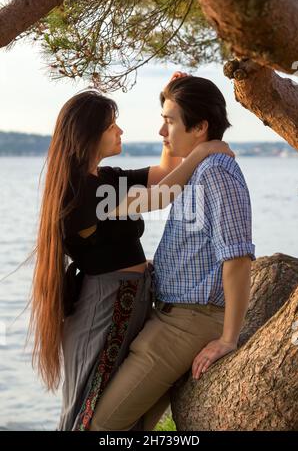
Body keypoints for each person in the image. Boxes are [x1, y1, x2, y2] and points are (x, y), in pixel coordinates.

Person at [28, 75, 234, 431]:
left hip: (126, 302)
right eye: (111, 126)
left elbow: (167, 173)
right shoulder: (79, 190)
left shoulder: (104, 178)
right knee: (90, 408)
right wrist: (201, 150)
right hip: (105, 307)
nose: (120, 130)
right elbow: (162, 196)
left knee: (119, 404)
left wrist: (169, 106)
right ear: (88, 135)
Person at [89, 75, 256, 431]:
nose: (161, 131)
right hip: (167, 317)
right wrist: (198, 151)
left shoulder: (216, 174)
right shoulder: (199, 168)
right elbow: (156, 194)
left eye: (169, 121)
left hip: (187, 323)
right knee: (132, 426)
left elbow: (238, 259)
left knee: (101, 428)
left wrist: (229, 338)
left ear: (200, 127)